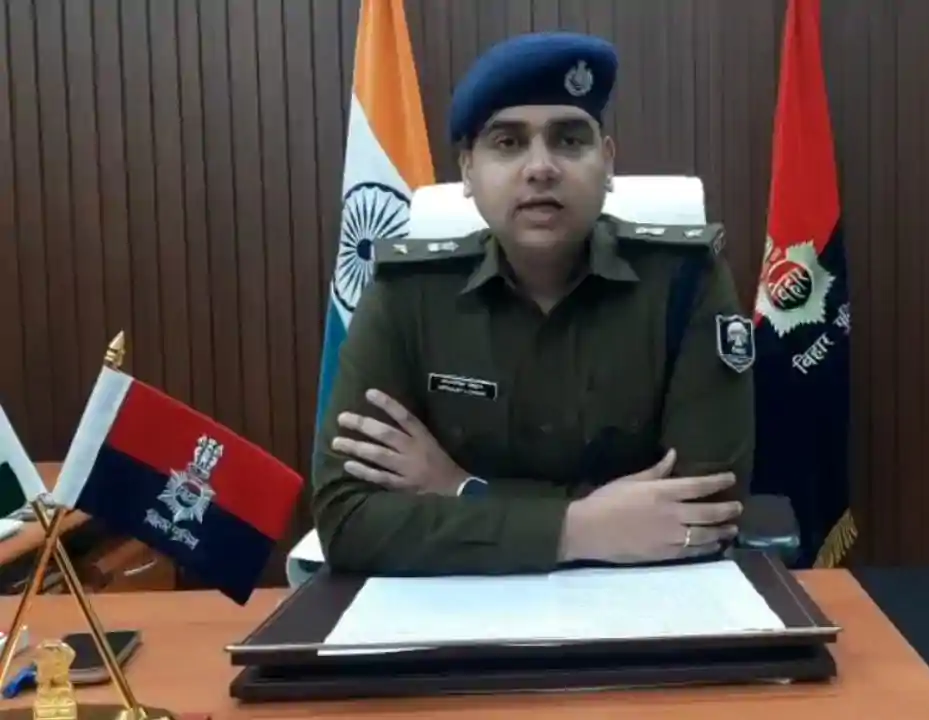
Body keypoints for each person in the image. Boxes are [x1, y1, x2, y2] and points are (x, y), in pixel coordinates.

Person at [311, 31, 755, 576]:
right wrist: (579, 527)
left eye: (569, 140)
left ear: (607, 163)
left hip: (644, 602)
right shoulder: (407, 295)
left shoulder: (687, 282)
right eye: (508, 143)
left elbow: (705, 510)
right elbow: (346, 519)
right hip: (456, 612)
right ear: (468, 171)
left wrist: (463, 489)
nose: (541, 167)